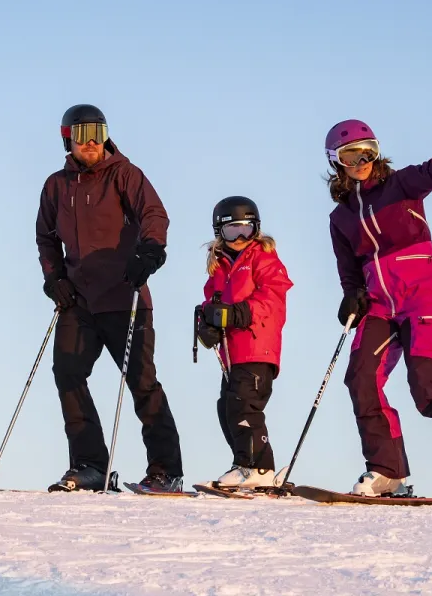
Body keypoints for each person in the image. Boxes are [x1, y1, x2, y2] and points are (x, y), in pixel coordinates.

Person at [324, 120, 432, 497]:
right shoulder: (340, 218)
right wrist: (352, 294)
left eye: (368, 151)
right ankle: (387, 470)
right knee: (361, 380)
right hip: (378, 305)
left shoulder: (398, 184)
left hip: (424, 295)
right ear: (336, 162)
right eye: (350, 155)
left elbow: (428, 173)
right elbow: (348, 270)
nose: (362, 160)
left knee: (427, 380)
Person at [36, 104, 184, 492]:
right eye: (82, 134)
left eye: (98, 133)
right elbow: (46, 238)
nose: (91, 142)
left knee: (142, 382)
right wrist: (54, 280)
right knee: (68, 376)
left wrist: (150, 251)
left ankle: (166, 470)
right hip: (79, 301)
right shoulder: (56, 185)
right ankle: (89, 465)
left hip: (125, 295)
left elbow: (154, 215)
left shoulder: (125, 175)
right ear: (67, 138)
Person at [196, 195, 293, 490]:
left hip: (256, 349)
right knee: (226, 407)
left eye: (246, 230)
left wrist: (238, 312)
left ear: (256, 230)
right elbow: (210, 302)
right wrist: (207, 324)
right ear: (219, 233)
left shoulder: (263, 259)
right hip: (232, 354)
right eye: (231, 231)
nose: (239, 238)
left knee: (244, 406)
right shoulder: (220, 268)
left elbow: (273, 298)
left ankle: (260, 468)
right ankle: (244, 464)